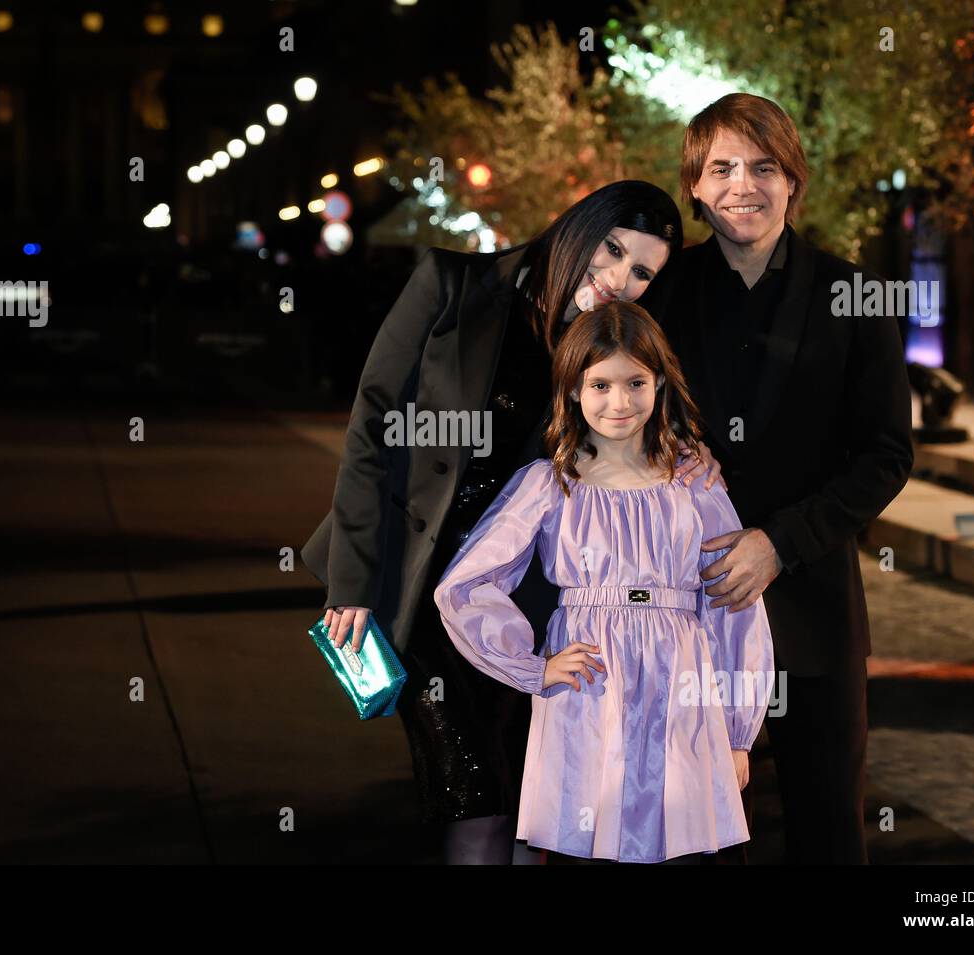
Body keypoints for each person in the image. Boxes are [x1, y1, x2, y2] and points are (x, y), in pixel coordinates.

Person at [300, 181, 726, 865]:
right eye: (612, 249)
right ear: (576, 226)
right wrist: (351, 581)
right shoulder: (451, 284)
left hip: (539, 598)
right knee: (479, 796)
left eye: (641, 271)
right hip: (427, 581)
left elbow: (639, 426)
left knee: (537, 807)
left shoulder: (606, 340)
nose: (618, 277)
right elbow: (371, 430)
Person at [640, 93, 914, 864]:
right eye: (721, 167)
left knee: (829, 835)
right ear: (694, 185)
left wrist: (780, 543)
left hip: (814, 616)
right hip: (683, 612)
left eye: (763, 167)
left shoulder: (856, 295)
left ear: (793, 180)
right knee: (697, 840)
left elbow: (888, 453)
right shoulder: (659, 296)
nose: (742, 185)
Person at [433, 300, 774, 864]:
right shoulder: (548, 484)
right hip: (588, 693)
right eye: (600, 385)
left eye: (636, 382)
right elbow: (466, 584)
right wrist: (532, 665)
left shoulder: (695, 483)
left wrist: (737, 732)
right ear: (572, 389)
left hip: (685, 696)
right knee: (588, 845)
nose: (620, 402)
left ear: (660, 383)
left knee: (685, 847)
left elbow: (734, 606)